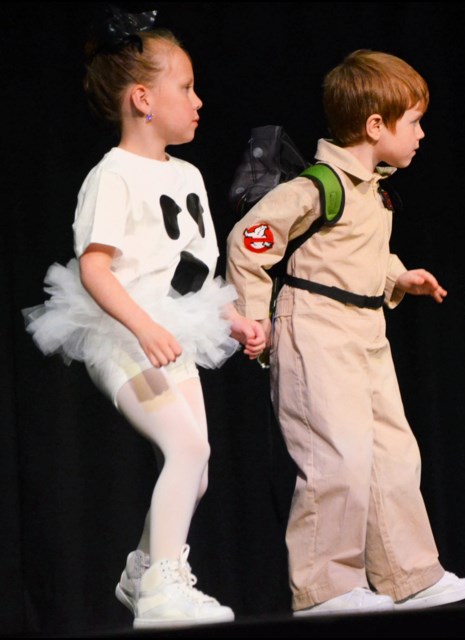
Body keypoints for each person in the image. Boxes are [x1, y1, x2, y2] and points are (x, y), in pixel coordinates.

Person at [22, 8, 265, 629]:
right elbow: (96, 268)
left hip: (175, 331)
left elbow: (193, 269)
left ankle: (140, 571)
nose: (198, 100)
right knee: (185, 448)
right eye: (185, 87)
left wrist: (233, 318)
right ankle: (161, 589)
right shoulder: (111, 176)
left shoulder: (186, 172)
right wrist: (142, 326)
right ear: (142, 99)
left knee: (199, 469)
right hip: (121, 335)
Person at [226, 50, 465, 616]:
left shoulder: (372, 189)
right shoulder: (320, 187)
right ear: (375, 126)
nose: (420, 134)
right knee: (334, 457)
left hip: (367, 329)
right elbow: (251, 241)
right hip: (316, 328)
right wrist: (253, 314)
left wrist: (399, 275)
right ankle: (326, 587)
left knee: (392, 453)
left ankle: (409, 575)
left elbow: (359, 253)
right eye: (412, 122)